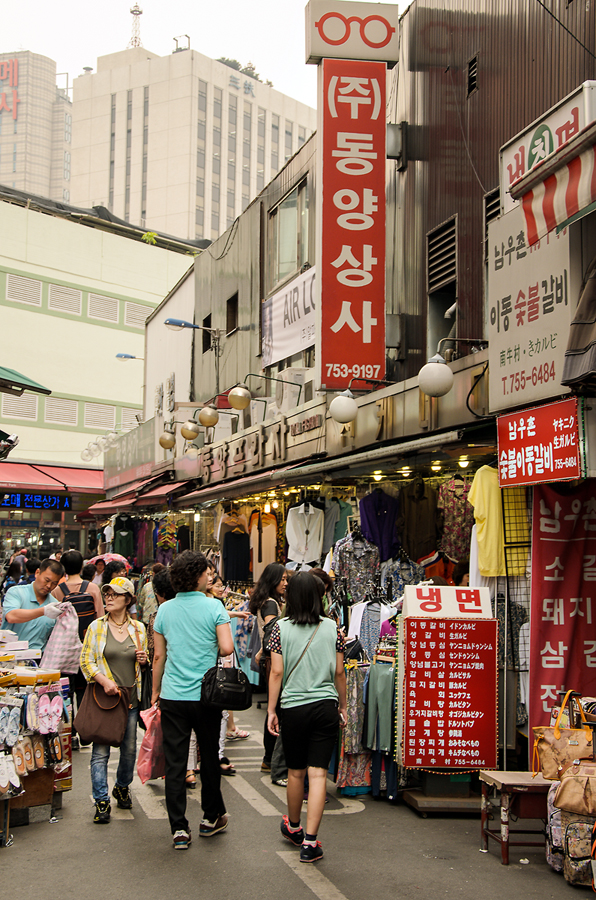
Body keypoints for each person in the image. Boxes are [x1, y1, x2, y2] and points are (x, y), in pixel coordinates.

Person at [152, 550, 233, 850]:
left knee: (175, 761)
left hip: (173, 694)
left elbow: (158, 656)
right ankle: (211, 818)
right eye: (207, 572)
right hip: (207, 695)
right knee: (209, 756)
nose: (210, 576)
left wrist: (155, 692)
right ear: (198, 576)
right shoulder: (215, 607)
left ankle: (179, 829)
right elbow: (226, 648)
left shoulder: (165, 610)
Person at [267, 571, 347, 864]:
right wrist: (343, 705)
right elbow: (339, 672)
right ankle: (311, 843)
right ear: (317, 596)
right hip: (325, 705)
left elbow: (276, 672)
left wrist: (272, 710)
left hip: (294, 707)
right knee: (318, 774)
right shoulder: (332, 628)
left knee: (296, 772)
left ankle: (294, 826)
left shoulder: (279, 629)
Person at [80, 577, 148, 824]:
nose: (108, 597)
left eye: (115, 594)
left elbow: (146, 661)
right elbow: (86, 661)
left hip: (130, 699)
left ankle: (121, 786)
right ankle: (101, 800)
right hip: (104, 699)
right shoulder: (96, 627)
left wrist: (143, 660)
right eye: (106, 593)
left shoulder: (139, 629)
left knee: (129, 750)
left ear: (128, 599)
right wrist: (104, 681)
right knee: (100, 752)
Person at [53, 550, 105, 750]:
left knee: (67, 691)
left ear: (63, 568)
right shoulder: (92, 588)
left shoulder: (58, 591)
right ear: (82, 567)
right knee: (85, 690)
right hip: (87, 647)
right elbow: (100, 618)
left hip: (66, 648)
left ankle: (70, 733)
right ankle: (85, 729)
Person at [248, 562, 288, 772]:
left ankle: (269, 757)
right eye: (281, 579)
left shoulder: (267, 601)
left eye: (286, 579)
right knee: (276, 709)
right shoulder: (271, 604)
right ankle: (270, 757)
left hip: (268, 658)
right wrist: (264, 651)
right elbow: (273, 632)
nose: (285, 583)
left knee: (275, 709)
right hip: (273, 661)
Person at [1, 559, 65, 650]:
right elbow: (11, 616)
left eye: (54, 583)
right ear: (37, 572)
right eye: (47, 580)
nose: (49, 586)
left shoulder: (55, 605)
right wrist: (44, 611)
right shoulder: (16, 592)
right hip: (10, 657)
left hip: (39, 659)